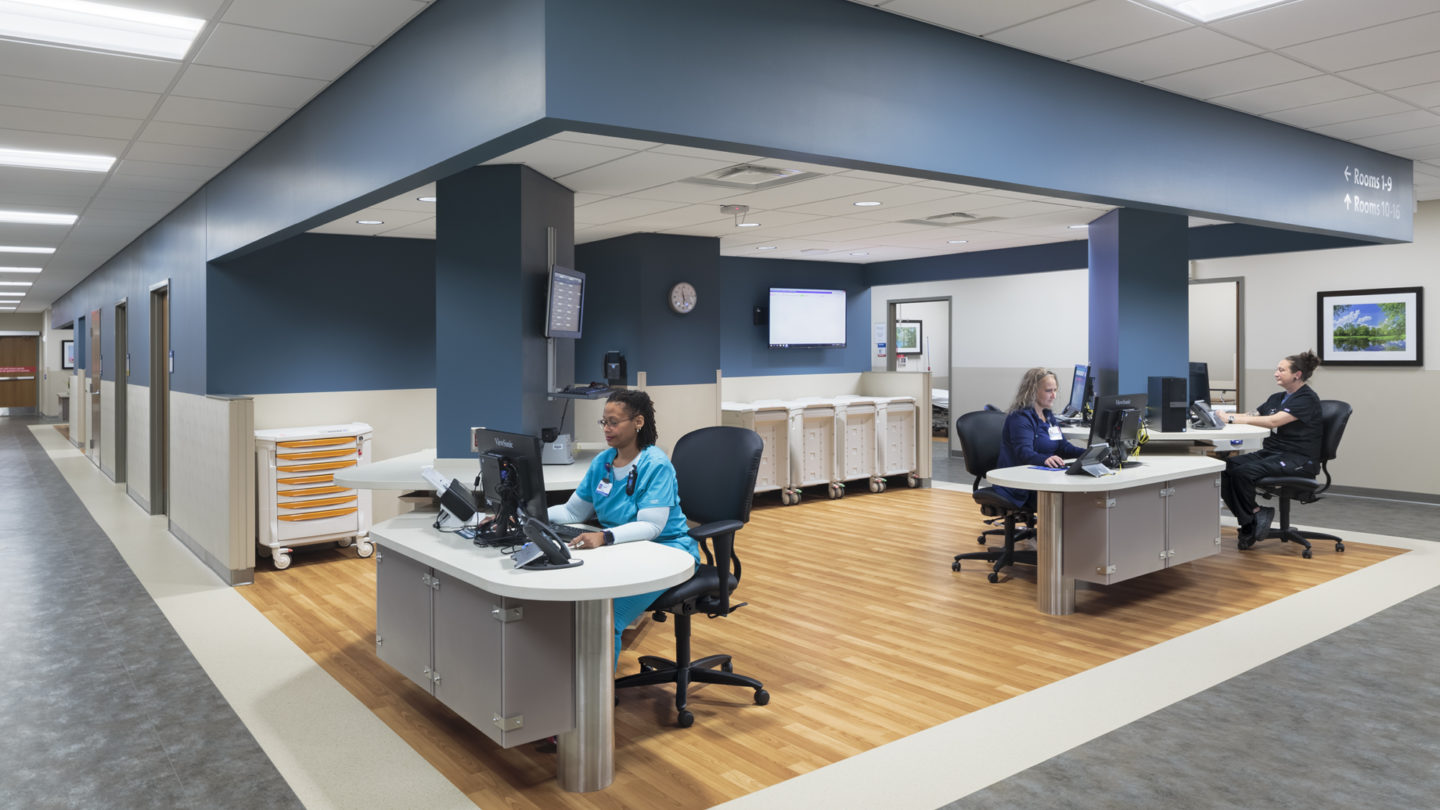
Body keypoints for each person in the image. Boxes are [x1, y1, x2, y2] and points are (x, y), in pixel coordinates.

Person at [546, 389, 699, 669]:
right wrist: (528, 515)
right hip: (619, 550)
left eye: (614, 422)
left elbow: (652, 526)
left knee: (608, 617)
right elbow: (571, 512)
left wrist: (605, 536)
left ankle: (598, 705)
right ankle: (566, 693)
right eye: (603, 422)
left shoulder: (655, 464)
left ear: (638, 422)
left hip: (667, 552)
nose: (607, 428)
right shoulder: (603, 462)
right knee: (574, 603)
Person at [1218, 350, 1324, 545]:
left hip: (1298, 458)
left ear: (1297, 374)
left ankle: (1249, 525)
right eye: (1277, 369)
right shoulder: (1277, 398)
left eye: (1281, 370)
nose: (1276, 373)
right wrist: (1222, 417)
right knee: (1224, 468)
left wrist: (1231, 418)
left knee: (1243, 473)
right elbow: (1254, 414)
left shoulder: (1306, 399)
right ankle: (1255, 514)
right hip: (1272, 453)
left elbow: (1273, 421)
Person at [992, 367, 1086, 511]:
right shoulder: (1020, 419)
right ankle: (1054, 533)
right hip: (1020, 486)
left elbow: (1063, 448)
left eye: (1055, 390)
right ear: (1033, 392)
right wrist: (1044, 460)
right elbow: (1024, 453)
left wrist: (1089, 453)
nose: (1054, 395)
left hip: (1042, 476)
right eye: (1049, 391)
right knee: (1070, 498)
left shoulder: (1047, 416)